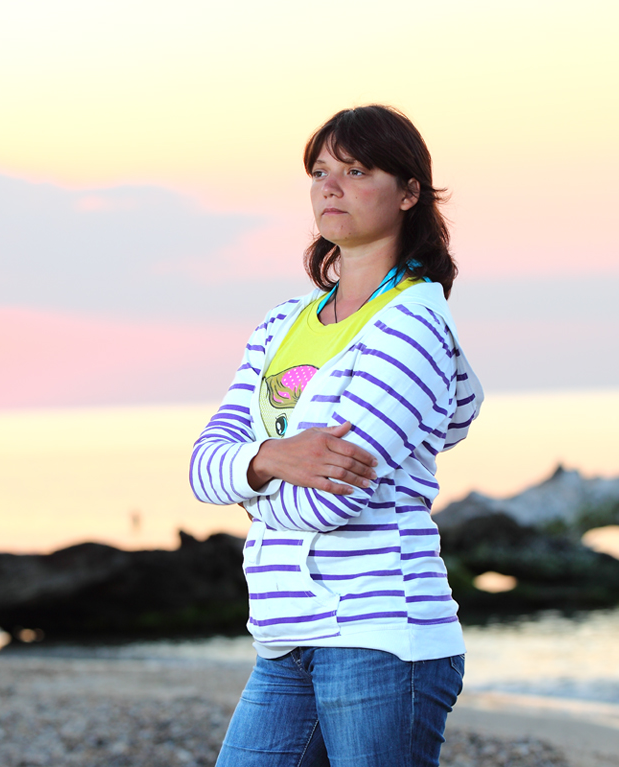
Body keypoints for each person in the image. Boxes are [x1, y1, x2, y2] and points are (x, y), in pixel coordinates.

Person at [188, 105, 484, 767]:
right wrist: (274, 458)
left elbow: (334, 499)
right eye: (321, 171)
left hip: (381, 639)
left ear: (409, 192)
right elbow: (202, 463)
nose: (331, 186)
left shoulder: (410, 323)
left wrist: (251, 481)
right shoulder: (280, 323)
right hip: (283, 638)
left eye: (356, 170)